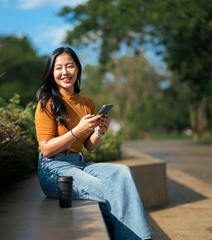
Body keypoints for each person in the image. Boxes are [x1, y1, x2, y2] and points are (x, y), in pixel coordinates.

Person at [35, 47, 152, 240]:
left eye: (70, 66)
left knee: (121, 173)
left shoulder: (87, 102)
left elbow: (89, 146)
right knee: (110, 190)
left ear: (78, 69)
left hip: (79, 165)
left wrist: (99, 131)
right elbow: (46, 149)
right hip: (54, 170)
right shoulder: (46, 103)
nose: (65, 72)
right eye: (59, 68)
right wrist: (77, 131)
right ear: (51, 72)